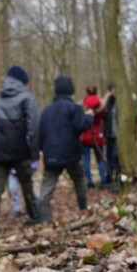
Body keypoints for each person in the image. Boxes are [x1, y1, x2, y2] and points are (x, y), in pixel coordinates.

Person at [0, 65, 40, 233]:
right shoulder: (27, 98)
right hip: (19, 150)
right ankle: (35, 216)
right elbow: (33, 127)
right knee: (26, 183)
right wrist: (34, 153)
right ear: (22, 81)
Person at [37, 74, 94, 223]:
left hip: (51, 156)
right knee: (80, 180)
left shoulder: (46, 111)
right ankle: (83, 209)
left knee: (46, 190)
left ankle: (44, 222)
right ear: (71, 90)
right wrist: (89, 117)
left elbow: (40, 134)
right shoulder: (74, 108)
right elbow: (81, 125)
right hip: (71, 154)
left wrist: (40, 152)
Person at [80, 85, 107, 188]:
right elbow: (104, 115)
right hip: (98, 134)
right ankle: (103, 180)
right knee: (100, 159)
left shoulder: (84, 103)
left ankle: (89, 181)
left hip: (86, 134)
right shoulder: (101, 103)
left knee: (86, 159)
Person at [102, 83, 120, 187]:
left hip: (119, 135)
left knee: (117, 158)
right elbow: (100, 110)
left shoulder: (122, 102)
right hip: (109, 135)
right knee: (109, 157)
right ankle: (109, 178)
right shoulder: (108, 102)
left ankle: (119, 180)